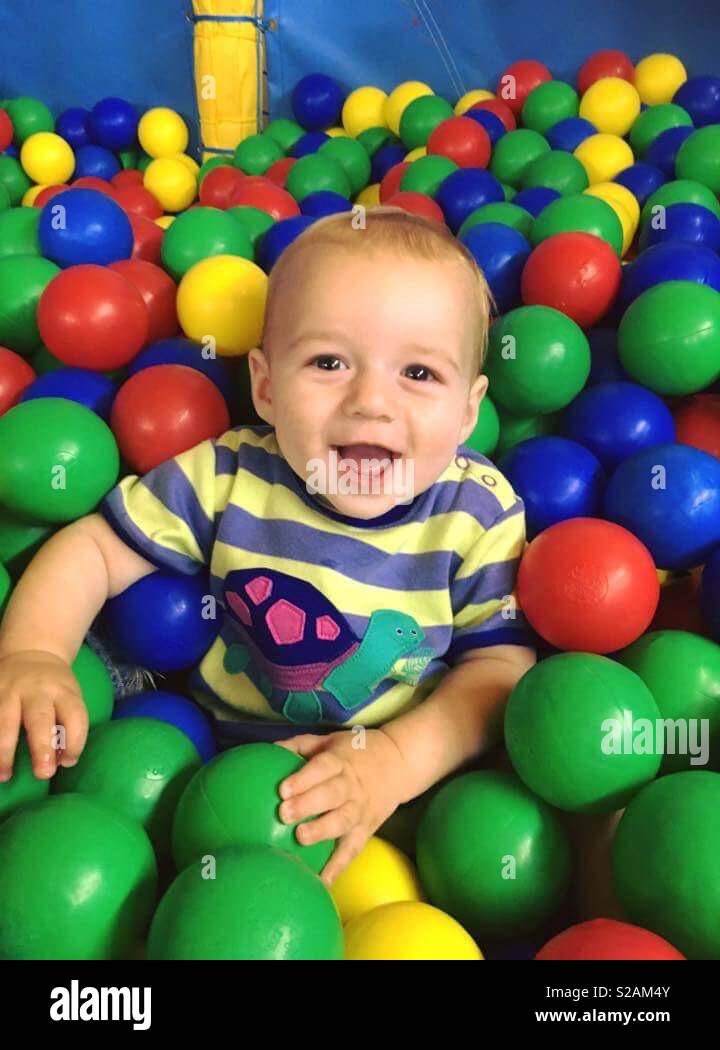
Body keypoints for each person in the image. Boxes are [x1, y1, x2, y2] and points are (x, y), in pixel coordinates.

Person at [0, 206, 535, 883]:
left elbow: (499, 673)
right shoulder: (229, 476)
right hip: (206, 760)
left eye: (419, 373)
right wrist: (34, 653)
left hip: (399, 794)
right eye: (329, 361)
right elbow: (96, 549)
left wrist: (394, 762)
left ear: (468, 409)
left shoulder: (477, 512)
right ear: (266, 386)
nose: (371, 401)